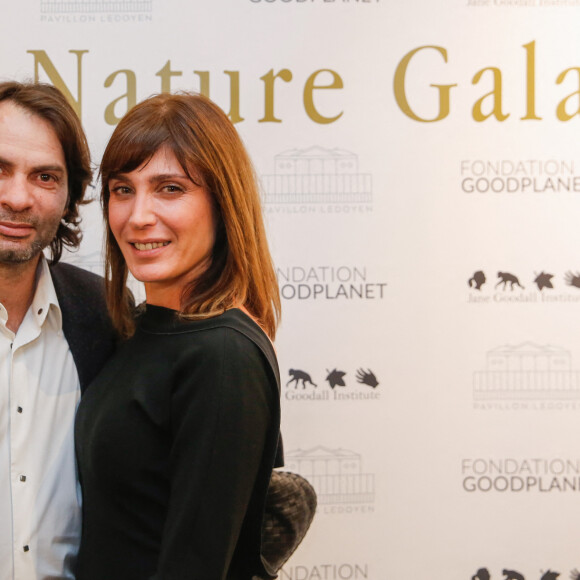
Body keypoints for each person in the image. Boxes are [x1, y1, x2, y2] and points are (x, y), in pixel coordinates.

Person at [75, 92, 283, 580]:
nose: (138, 215)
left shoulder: (221, 353)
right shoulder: (145, 328)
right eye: (123, 189)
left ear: (222, 201)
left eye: (169, 188)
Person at [0, 81, 116, 579]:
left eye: (45, 176)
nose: (18, 197)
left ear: (71, 196)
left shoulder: (105, 315)